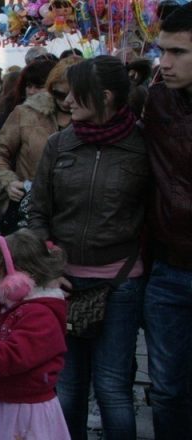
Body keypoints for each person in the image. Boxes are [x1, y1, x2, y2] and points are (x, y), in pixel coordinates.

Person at [29, 56, 150, 440]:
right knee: (67, 388)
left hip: (121, 285)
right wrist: (50, 266)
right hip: (63, 284)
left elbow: (153, 213)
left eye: (75, 93)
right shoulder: (59, 144)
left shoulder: (143, 147)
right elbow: (38, 211)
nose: (66, 101)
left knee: (113, 390)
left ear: (106, 96)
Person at [141, 4, 192, 439]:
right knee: (169, 390)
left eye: (178, 52)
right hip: (169, 270)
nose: (166, 62)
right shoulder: (155, 99)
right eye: (163, 51)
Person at [0, 230, 70, 440]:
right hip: (8, 402)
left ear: (18, 279)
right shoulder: (7, 305)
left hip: (28, 411)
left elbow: (14, 353)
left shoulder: (40, 314)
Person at [0, 56, 79, 235]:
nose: (66, 101)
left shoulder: (93, 118)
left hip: (75, 215)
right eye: (59, 94)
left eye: (71, 94)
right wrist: (8, 181)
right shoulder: (26, 112)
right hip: (30, 213)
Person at [0, 58, 58, 146]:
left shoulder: (67, 110)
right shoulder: (14, 108)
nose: (31, 91)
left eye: (39, 87)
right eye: (29, 86)